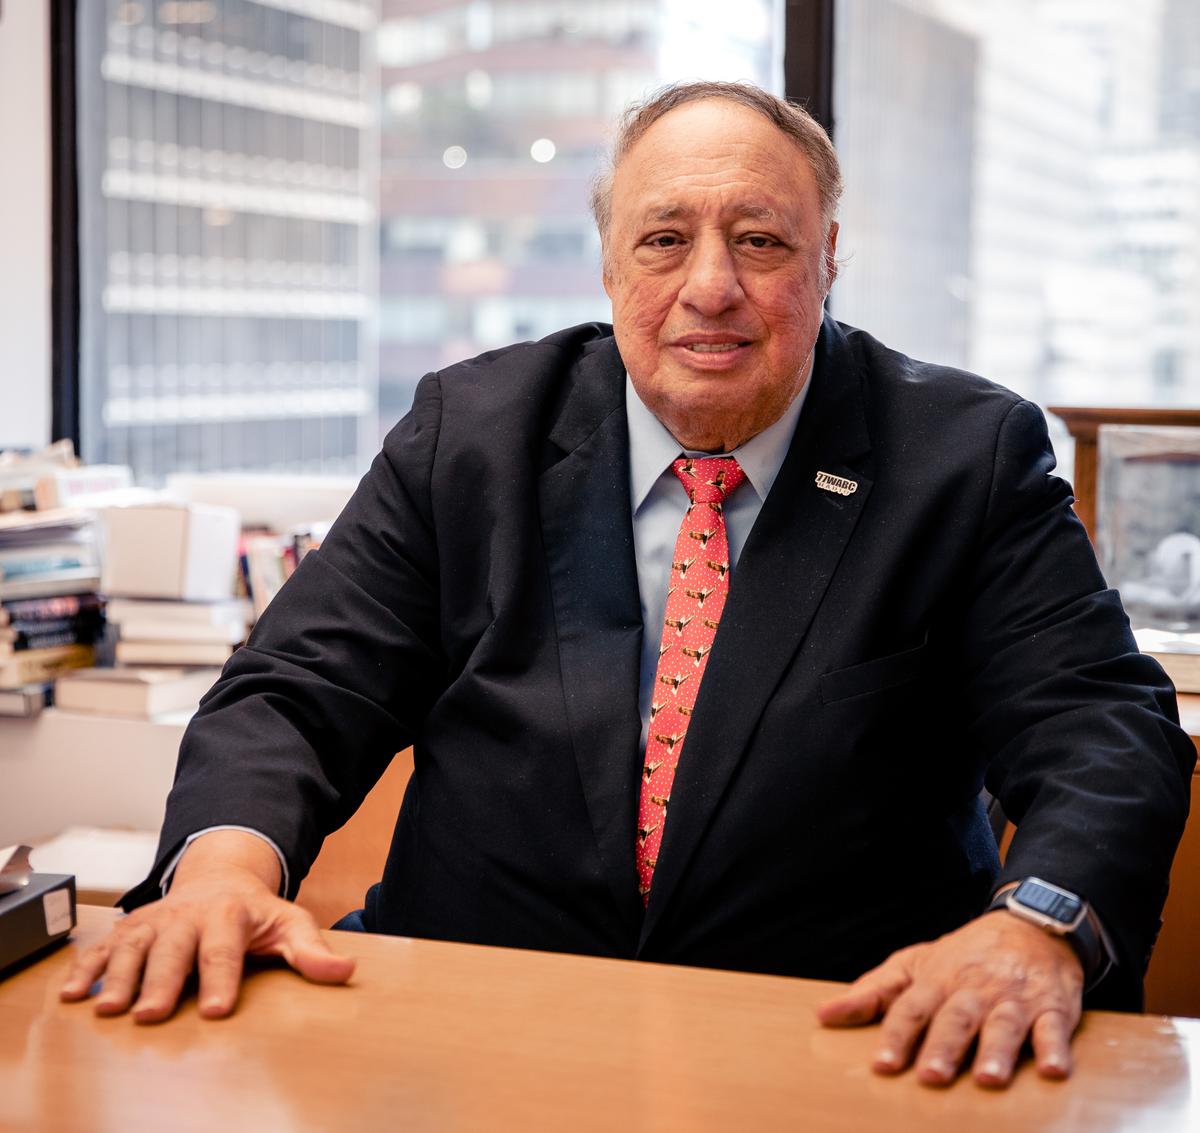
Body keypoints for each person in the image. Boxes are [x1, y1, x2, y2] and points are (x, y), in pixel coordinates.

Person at [62, 81, 1193, 1089]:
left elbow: (1100, 725)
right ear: (610, 266)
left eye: (760, 240)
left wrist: (1038, 924)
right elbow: (301, 685)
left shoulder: (966, 454)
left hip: (842, 1043)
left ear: (829, 257)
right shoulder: (474, 431)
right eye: (664, 239)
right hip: (468, 1027)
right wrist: (220, 868)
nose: (711, 285)